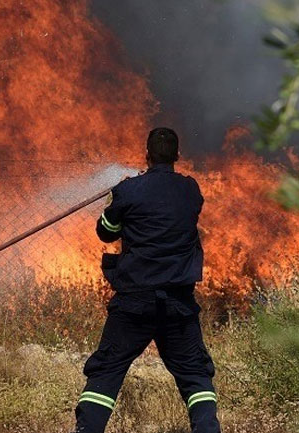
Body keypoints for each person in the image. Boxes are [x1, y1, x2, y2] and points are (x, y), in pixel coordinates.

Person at [73, 127, 220, 433]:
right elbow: (168, 207)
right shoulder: (190, 191)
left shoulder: (129, 191)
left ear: (146, 155)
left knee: (106, 372)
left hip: (134, 304)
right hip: (178, 305)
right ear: (178, 156)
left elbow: (106, 231)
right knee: (196, 376)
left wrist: (118, 198)